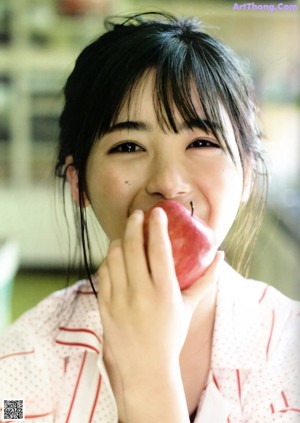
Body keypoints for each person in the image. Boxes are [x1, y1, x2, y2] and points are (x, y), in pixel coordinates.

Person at [0, 11, 299, 423]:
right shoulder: (15, 373)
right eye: (128, 146)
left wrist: (150, 375)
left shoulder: (291, 355)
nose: (168, 183)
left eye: (201, 141)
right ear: (78, 182)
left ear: (247, 173)